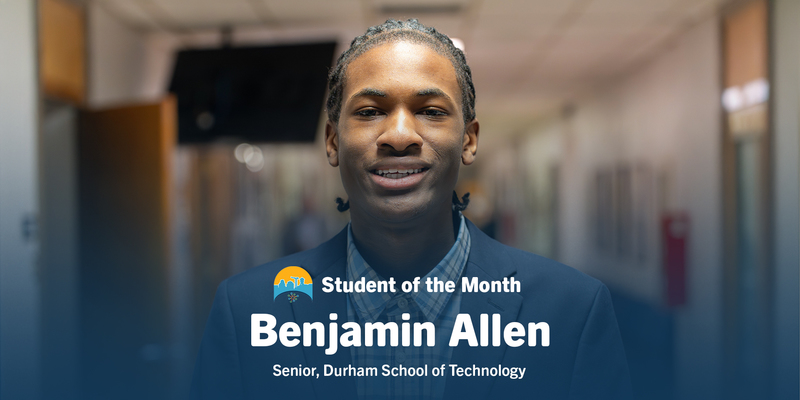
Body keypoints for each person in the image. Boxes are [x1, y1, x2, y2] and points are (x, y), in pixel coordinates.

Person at [191, 19, 633, 400]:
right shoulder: (248, 312)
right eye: (369, 111)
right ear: (332, 141)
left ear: (469, 140)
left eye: (430, 111)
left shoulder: (571, 312)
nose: (399, 135)